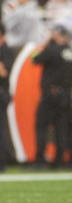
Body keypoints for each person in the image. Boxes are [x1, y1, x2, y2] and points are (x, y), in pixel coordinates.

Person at [32, 25, 72, 168]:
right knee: (61, 128)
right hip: (65, 95)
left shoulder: (52, 50)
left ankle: (40, 159)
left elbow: (35, 59)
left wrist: (46, 43)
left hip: (50, 94)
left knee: (41, 126)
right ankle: (59, 160)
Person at [0, 23, 14, 172]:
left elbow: (4, 73)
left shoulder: (6, 50)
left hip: (1, 93)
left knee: (1, 129)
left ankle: (1, 163)